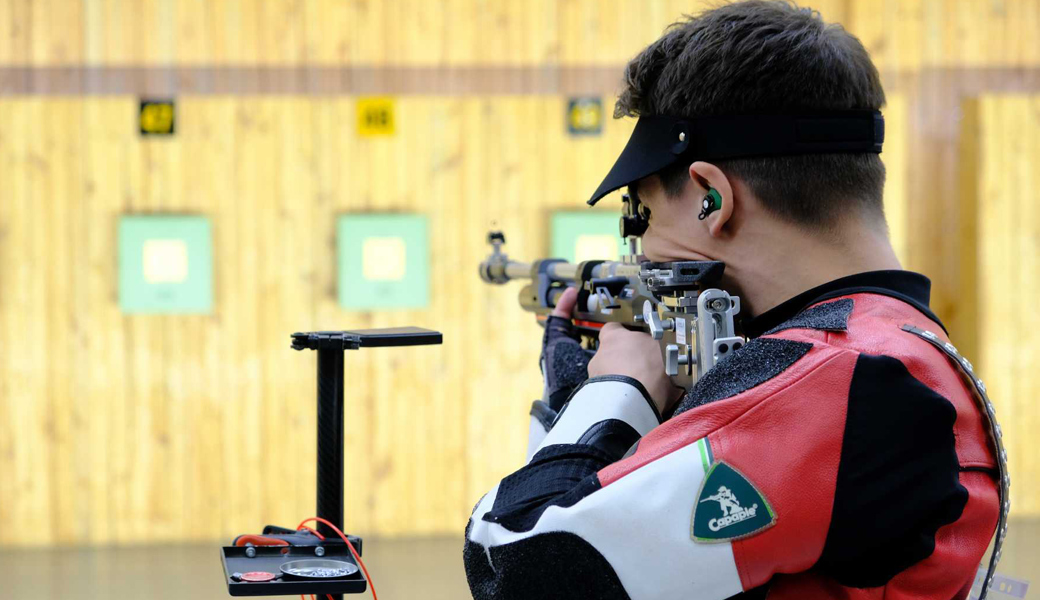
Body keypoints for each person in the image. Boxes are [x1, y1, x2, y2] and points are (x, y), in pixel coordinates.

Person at [464, 2, 1004, 599]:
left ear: (711, 199)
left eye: (640, 213)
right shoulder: (891, 346)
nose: (640, 248)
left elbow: (513, 563)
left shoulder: (845, 379)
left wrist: (608, 392)